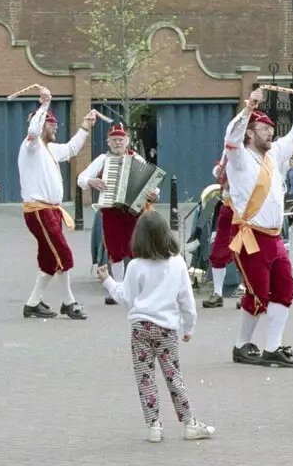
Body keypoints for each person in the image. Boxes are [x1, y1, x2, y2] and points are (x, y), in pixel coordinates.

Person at [224, 88, 293, 368]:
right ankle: (241, 345)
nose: (269, 133)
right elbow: (231, 136)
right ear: (250, 133)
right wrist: (248, 109)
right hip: (250, 236)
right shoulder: (239, 157)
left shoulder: (274, 156)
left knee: (284, 289)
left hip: (273, 237)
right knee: (258, 292)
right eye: (263, 129)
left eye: (270, 129)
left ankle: (273, 347)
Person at [99, 211, 213, 442]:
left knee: (145, 378)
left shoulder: (135, 266)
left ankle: (154, 425)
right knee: (173, 376)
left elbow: (126, 298)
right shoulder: (177, 264)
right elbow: (186, 300)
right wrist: (189, 327)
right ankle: (189, 422)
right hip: (166, 329)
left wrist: (108, 281)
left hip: (140, 326)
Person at [17, 87, 98, 320]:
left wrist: (85, 126)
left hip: (51, 211)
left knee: (49, 260)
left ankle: (32, 304)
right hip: (39, 210)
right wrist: (44, 105)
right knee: (63, 254)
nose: (55, 128)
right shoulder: (30, 145)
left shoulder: (49, 149)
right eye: (51, 124)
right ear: (41, 124)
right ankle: (68, 302)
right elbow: (33, 129)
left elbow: (72, 148)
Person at [78, 123, 159, 304]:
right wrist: (91, 181)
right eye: (114, 140)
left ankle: (138, 288)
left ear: (126, 141)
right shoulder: (102, 159)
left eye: (120, 140)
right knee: (115, 251)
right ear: (109, 142)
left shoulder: (136, 158)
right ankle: (119, 288)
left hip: (132, 211)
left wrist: (155, 193)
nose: (117, 143)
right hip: (110, 210)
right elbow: (80, 179)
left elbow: (151, 181)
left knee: (136, 249)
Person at [202, 156, 236, 308]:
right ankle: (217, 293)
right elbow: (220, 172)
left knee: (250, 252)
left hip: (248, 210)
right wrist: (221, 170)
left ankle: (253, 294)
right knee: (218, 250)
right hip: (228, 207)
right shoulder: (229, 152)